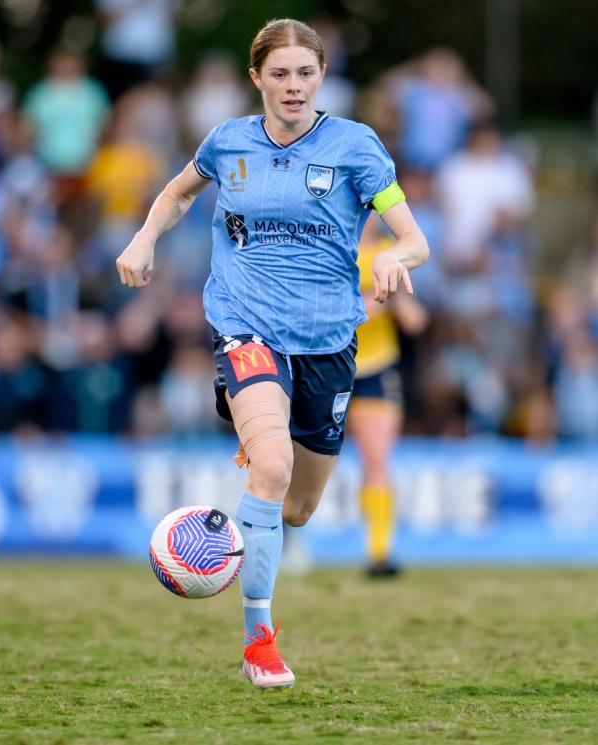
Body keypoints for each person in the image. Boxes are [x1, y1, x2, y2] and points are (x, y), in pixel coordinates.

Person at [115, 18, 429, 690]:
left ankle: (236, 518)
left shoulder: (355, 147)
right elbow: (176, 193)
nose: (293, 86)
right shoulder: (227, 142)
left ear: (321, 77)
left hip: (329, 342)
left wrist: (396, 260)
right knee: (275, 462)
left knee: (297, 506)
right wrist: (144, 238)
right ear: (256, 76)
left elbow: (414, 238)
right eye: (279, 74)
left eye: (305, 73)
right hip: (246, 329)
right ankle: (259, 641)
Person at [348, 219, 428, 578]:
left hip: (376, 369)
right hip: (331, 364)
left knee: (376, 460)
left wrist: (394, 305)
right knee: (305, 458)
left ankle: (379, 552)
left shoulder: (387, 254)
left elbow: (415, 320)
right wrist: (370, 306)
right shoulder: (333, 246)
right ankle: (289, 540)